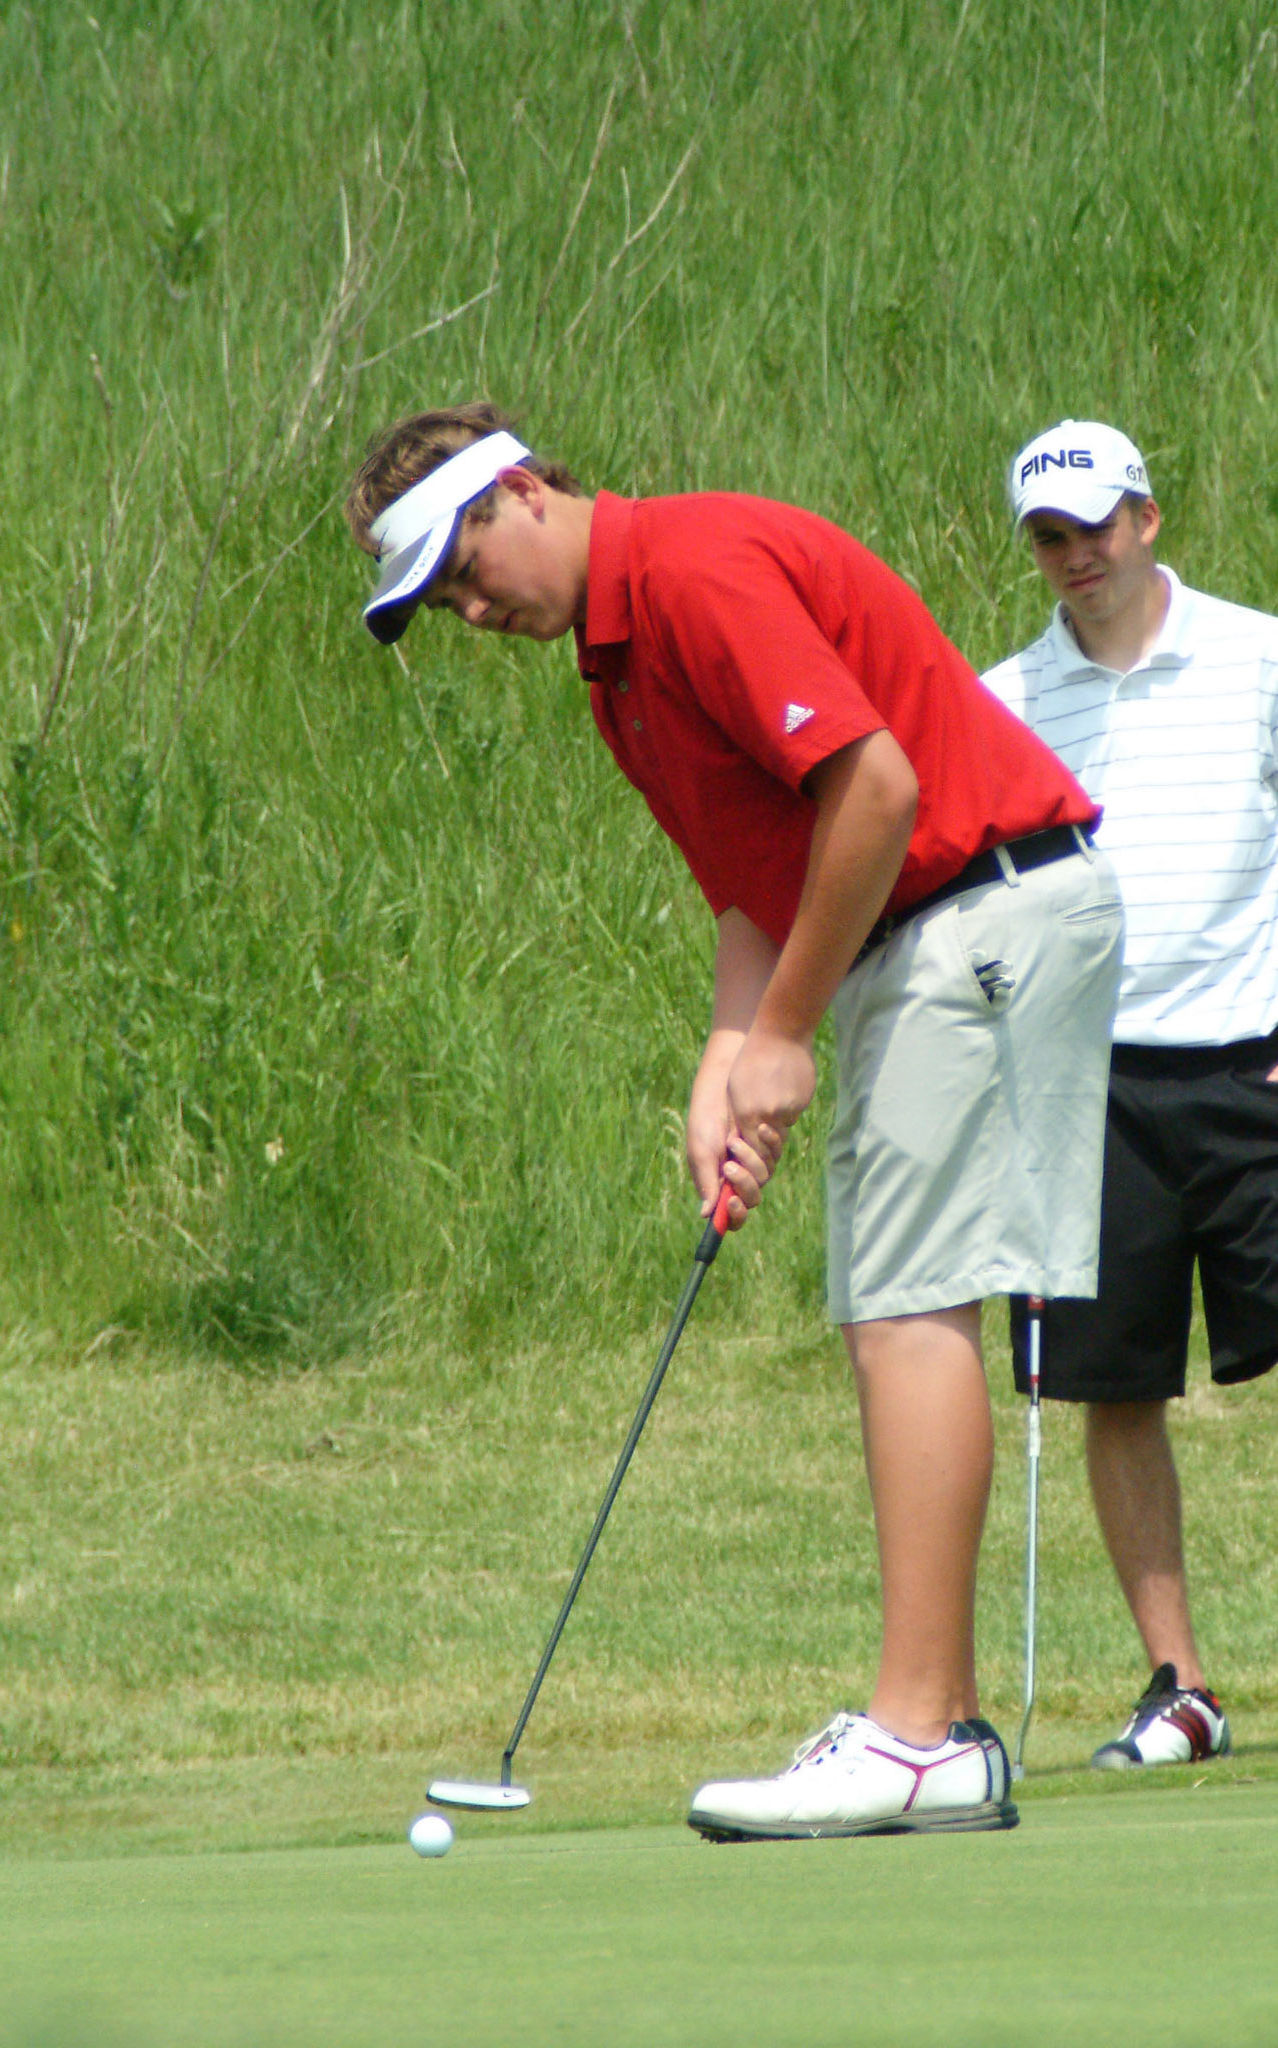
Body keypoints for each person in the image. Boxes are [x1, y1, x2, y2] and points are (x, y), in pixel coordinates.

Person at [346, 403, 1124, 1838]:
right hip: (944, 921)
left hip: (986, 899)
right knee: (893, 1296)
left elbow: (874, 790)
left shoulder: (693, 570)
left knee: (903, 1303)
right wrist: (726, 1055)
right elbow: (758, 878)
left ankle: (907, 1740)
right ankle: (936, 1735)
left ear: (521, 491)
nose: (470, 611)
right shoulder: (615, 672)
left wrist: (781, 1038)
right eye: (441, 603)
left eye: (463, 568)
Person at [983, 418, 1278, 1770]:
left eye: (1093, 526)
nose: (1073, 557)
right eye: (1048, 537)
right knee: (1115, 1388)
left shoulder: (1259, 658)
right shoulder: (1004, 699)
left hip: (1252, 1057)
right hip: (1089, 1089)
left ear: (1146, 517)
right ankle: (1181, 1686)